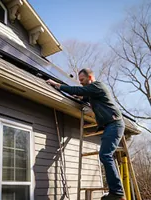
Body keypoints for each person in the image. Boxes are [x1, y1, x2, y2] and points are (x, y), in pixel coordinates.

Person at [46, 68, 126, 200]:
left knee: (105, 155)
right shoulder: (93, 93)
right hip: (110, 126)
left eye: (82, 80)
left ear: (90, 78)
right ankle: (115, 192)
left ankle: (117, 193)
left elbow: (78, 90)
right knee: (105, 156)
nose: (81, 82)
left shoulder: (97, 86)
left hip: (114, 124)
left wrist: (58, 85)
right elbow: (82, 95)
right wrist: (80, 97)